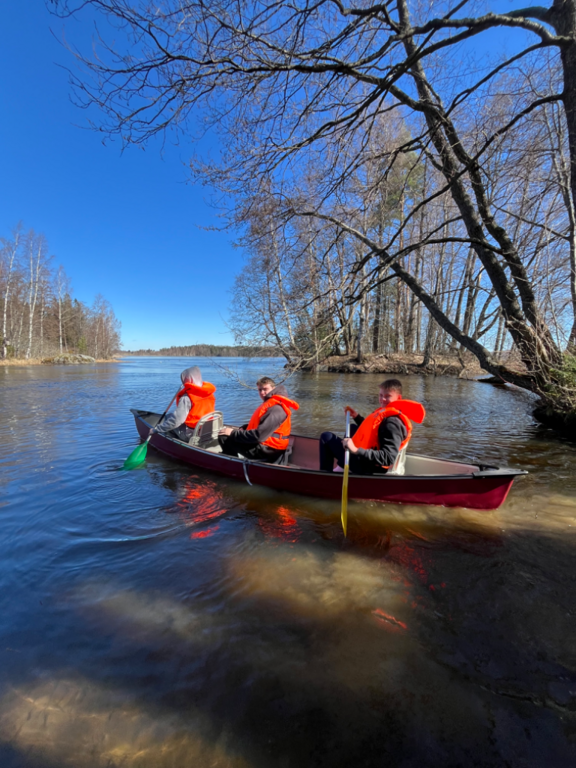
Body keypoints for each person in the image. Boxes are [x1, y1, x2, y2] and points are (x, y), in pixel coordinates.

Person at [319, 379, 425, 475]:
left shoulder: (392, 423)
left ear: (399, 398)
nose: (382, 399)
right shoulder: (388, 414)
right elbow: (372, 430)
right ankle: (342, 466)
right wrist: (356, 417)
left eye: (387, 396)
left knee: (326, 437)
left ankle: (326, 478)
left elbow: (388, 458)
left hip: (371, 467)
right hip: (367, 461)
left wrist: (356, 450)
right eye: (380, 395)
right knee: (352, 428)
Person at [218, 376, 299, 463]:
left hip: (269, 450)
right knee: (235, 433)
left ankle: (233, 466)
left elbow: (259, 436)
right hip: (269, 446)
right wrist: (245, 428)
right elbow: (261, 425)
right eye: (260, 390)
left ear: (273, 389)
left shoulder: (276, 409)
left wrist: (233, 433)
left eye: (265, 389)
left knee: (224, 437)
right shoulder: (272, 403)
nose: (262, 393)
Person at [152, 366, 216, 441]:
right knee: (171, 417)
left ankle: (174, 444)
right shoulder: (209, 394)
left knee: (169, 420)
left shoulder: (187, 398)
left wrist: (157, 429)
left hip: (193, 435)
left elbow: (176, 421)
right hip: (208, 430)